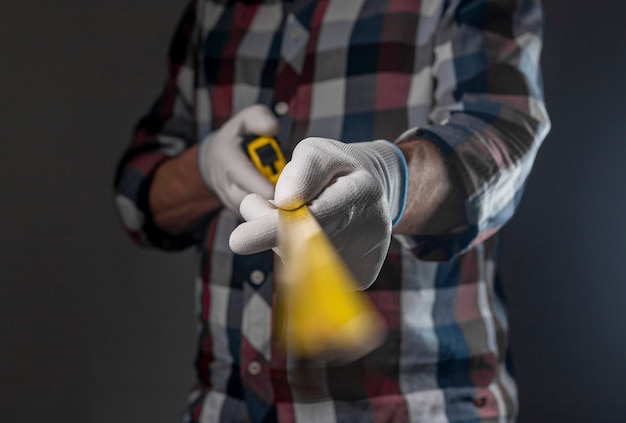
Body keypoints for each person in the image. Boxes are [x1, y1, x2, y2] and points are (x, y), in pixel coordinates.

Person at [113, 0, 550, 421]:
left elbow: (500, 135)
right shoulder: (215, 9)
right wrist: (204, 167)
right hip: (227, 408)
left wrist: (391, 179)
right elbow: (137, 201)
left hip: (414, 408)